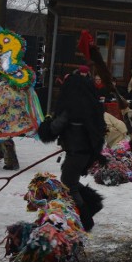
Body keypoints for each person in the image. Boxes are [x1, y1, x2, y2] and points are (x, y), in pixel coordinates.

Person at [49, 69, 106, 231]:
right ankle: (93, 202)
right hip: (83, 152)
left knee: (68, 185)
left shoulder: (72, 106)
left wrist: (46, 126)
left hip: (77, 152)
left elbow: (55, 127)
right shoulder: (90, 104)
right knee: (68, 179)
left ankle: (87, 218)